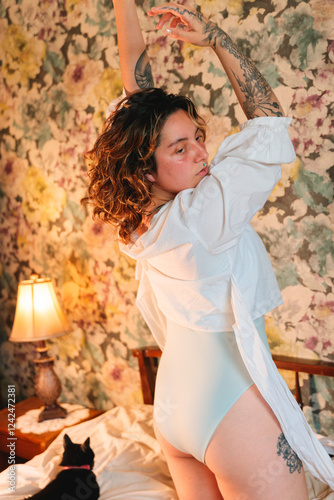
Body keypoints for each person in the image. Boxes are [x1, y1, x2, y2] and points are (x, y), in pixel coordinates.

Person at [83, 1, 334, 499]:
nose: (202, 152)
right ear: (145, 169)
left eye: (198, 137)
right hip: (230, 410)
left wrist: (123, 6)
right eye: (181, 148)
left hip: (175, 406)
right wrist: (216, 36)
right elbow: (268, 120)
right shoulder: (204, 216)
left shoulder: (138, 221)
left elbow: (138, 86)